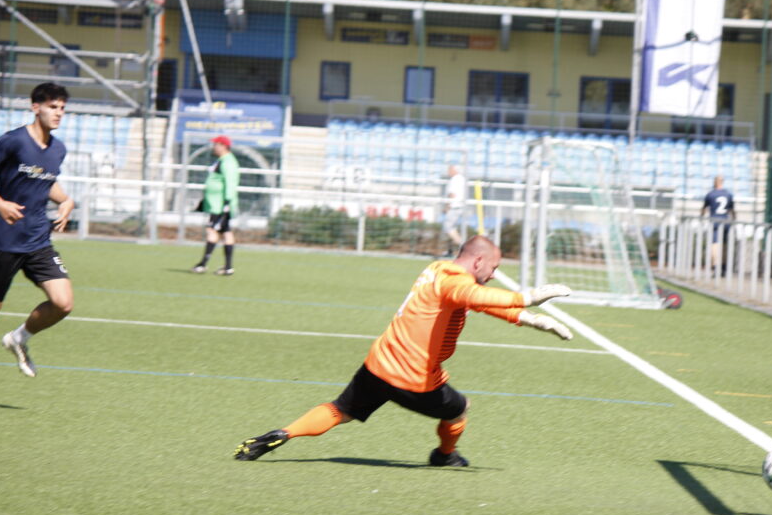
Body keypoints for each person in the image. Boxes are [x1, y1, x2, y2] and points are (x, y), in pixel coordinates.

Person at [234, 235, 574, 466]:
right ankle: (444, 455)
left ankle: (282, 434)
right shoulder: (458, 284)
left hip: (379, 363)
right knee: (459, 410)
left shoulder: (437, 271)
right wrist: (526, 298)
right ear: (479, 260)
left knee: (340, 410)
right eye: (494, 268)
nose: (495, 275)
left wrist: (528, 319)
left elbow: (475, 302)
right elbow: (476, 298)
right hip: (414, 378)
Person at [0, 82, 75, 383]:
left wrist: (67, 200)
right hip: (4, 241)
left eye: (62, 108)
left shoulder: (58, 149)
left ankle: (19, 338)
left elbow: (47, 182)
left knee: (63, 303)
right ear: (36, 107)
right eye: (52, 107)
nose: (58, 113)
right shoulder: (14, 141)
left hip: (38, 241)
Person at [192, 135, 240, 276]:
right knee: (226, 233)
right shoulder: (221, 160)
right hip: (215, 204)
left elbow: (230, 183)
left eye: (216, 144)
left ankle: (203, 264)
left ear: (223, 145)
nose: (214, 147)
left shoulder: (228, 162)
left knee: (212, 231)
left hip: (220, 205)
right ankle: (228, 267)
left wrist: (227, 202)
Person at [701, 175, 736, 275]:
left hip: (715, 221)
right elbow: (732, 209)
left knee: (715, 244)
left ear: (715, 182)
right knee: (724, 244)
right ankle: (724, 266)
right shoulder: (728, 194)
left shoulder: (711, 194)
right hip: (725, 221)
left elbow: (704, 208)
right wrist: (734, 220)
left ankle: (716, 266)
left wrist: (701, 217)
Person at [441, 164, 467, 255]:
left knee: (448, 228)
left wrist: (447, 206)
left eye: (449, 169)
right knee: (452, 229)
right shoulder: (462, 179)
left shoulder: (455, 179)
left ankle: (463, 247)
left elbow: (452, 194)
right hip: (459, 206)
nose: (448, 172)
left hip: (454, 207)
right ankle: (450, 250)